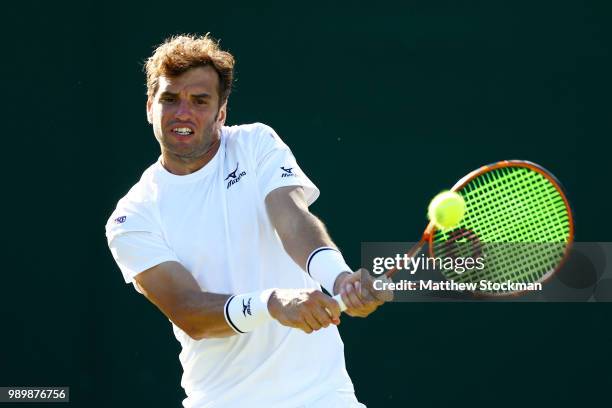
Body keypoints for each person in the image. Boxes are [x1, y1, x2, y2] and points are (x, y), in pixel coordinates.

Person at [105, 34, 387, 408]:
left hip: (323, 398)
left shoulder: (255, 144)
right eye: (169, 99)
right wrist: (272, 303)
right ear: (149, 107)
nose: (183, 113)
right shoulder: (132, 217)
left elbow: (292, 220)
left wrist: (339, 278)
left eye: (200, 101)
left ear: (221, 112)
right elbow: (190, 312)